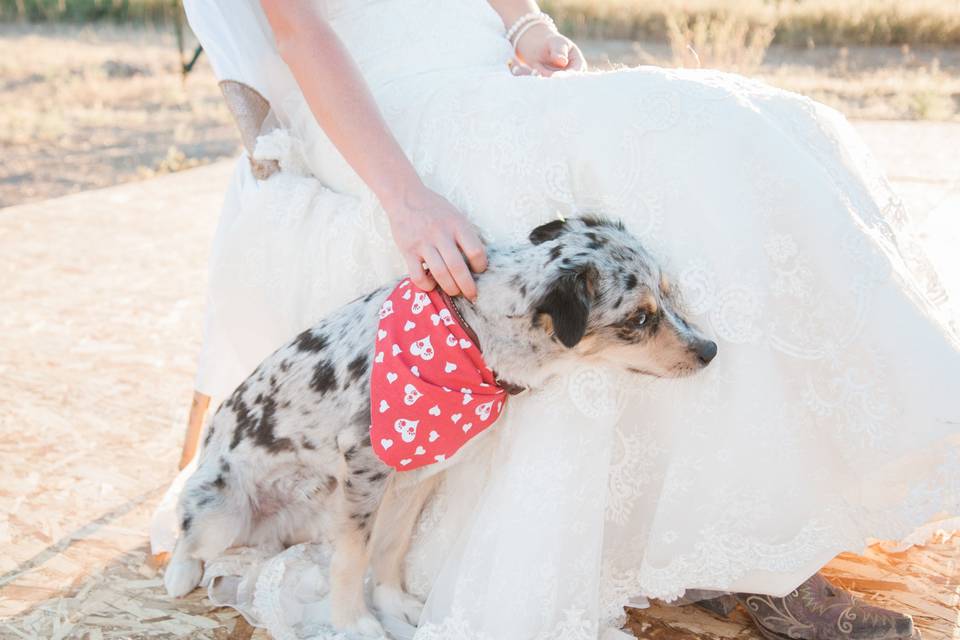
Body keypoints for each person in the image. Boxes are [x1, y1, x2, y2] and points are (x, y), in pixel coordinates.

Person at [156, 1, 960, 638]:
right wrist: (405, 198)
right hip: (383, 107)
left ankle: (730, 528)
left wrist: (527, 23)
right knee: (701, 138)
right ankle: (736, 553)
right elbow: (295, 28)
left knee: (759, 125)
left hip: (487, 70)